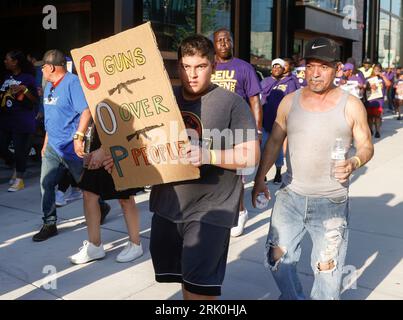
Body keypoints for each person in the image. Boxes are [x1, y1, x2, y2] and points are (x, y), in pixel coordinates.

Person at [252, 37, 374, 300]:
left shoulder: (351, 105)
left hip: (331, 203)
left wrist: (354, 162)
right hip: (290, 197)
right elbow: (274, 141)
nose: (315, 73)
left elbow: (366, 146)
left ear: (337, 69)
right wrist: (260, 178)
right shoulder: (289, 102)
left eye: (324, 66)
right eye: (311, 66)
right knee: (276, 261)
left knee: (328, 278)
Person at [140, 34, 260, 299]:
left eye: (200, 67)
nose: (192, 74)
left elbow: (251, 155)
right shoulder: (163, 101)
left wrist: (210, 156)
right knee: (186, 282)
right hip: (168, 206)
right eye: (186, 66)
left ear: (213, 66)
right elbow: (137, 138)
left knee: (200, 290)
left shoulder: (232, 103)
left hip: (211, 209)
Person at [31, 49, 105, 242]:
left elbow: (86, 111)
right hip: (53, 146)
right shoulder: (49, 85)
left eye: (44, 67)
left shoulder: (72, 83)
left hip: (71, 146)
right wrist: (46, 141)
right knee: (46, 183)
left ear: (51, 67)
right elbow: (50, 116)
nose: (42, 71)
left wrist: (78, 137)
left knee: (85, 184)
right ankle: (49, 223)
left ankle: (102, 207)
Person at [211, 27, 263, 237]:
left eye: (227, 40)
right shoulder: (209, 66)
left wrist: (257, 130)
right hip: (213, 128)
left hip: (238, 127)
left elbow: (255, 100)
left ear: (232, 42)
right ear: (214, 44)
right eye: (219, 40)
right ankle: (220, 209)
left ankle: (240, 212)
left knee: (237, 174)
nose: (223, 43)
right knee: (215, 170)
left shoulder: (244, 68)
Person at [69, 125, 143, 264]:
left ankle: (135, 243)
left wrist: (104, 149)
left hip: (121, 138)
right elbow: (89, 109)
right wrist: (80, 134)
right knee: (89, 192)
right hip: (99, 136)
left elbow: (126, 119)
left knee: (125, 196)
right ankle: (94, 246)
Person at [0, 50, 38, 192]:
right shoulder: (6, 77)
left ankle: (19, 179)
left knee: (20, 150)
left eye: (7, 59)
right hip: (6, 119)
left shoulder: (28, 78)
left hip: (22, 119)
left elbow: (35, 100)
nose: (5, 61)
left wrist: (25, 90)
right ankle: (15, 165)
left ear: (15, 62)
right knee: (2, 146)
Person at [260, 58, 299, 184]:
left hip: (280, 122)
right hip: (266, 120)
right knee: (263, 148)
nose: (276, 69)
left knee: (277, 150)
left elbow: (293, 99)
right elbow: (260, 99)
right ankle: (263, 174)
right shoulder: (265, 81)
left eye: (279, 67)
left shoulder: (290, 82)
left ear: (283, 69)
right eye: (274, 66)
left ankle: (278, 173)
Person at [364, 64, 391, 138]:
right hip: (370, 99)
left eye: (378, 69)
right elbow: (364, 88)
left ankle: (377, 131)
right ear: (373, 69)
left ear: (380, 70)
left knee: (377, 116)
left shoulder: (382, 78)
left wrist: (382, 76)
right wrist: (369, 87)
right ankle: (370, 129)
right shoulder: (368, 78)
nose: (376, 70)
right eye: (375, 69)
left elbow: (389, 84)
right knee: (369, 116)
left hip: (379, 100)